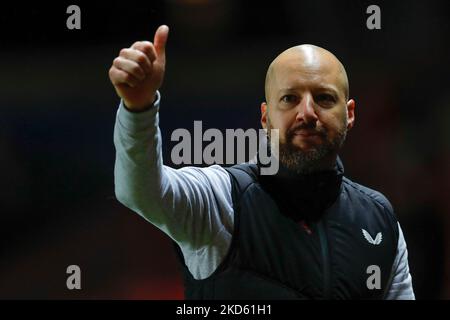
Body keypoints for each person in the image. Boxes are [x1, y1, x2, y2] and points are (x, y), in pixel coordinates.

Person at [110, 25, 415, 299]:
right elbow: (141, 192)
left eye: (323, 98)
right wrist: (139, 109)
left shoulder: (379, 220)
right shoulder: (222, 200)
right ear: (266, 118)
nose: (307, 112)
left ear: (349, 114)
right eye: (289, 99)